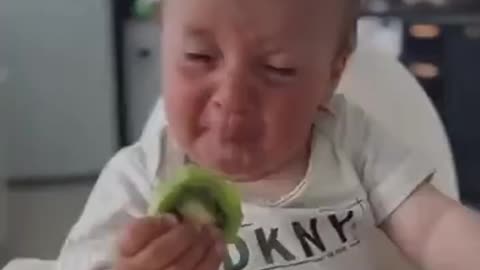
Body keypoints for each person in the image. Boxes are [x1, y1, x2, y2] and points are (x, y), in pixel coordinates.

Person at [57, 0, 480, 269]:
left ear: (331, 75)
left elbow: (433, 227)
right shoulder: (139, 179)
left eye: (278, 69)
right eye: (199, 57)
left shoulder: (351, 140)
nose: (233, 98)